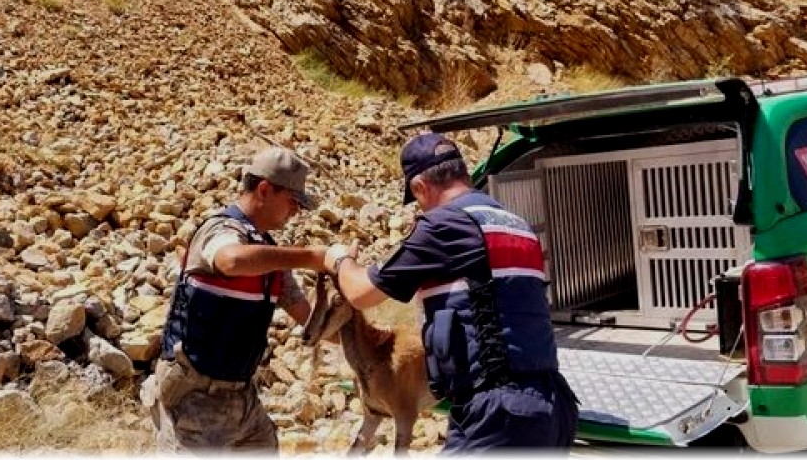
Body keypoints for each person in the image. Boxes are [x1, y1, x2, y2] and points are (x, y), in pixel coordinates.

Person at [331, 133, 579, 452]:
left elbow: (361, 294)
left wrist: (341, 260)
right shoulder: (514, 222)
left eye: (417, 198)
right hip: (546, 401)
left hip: (501, 412)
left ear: (420, 187)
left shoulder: (444, 226)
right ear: (463, 172)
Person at [145, 146, 349, 451]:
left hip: (242, 398)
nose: (296, 211)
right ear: (265, 190)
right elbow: (231, 261)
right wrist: (312, 257)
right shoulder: (221, 229)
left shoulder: (267, 256)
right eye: (293, 201)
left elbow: (313, 325)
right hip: (196, 399)